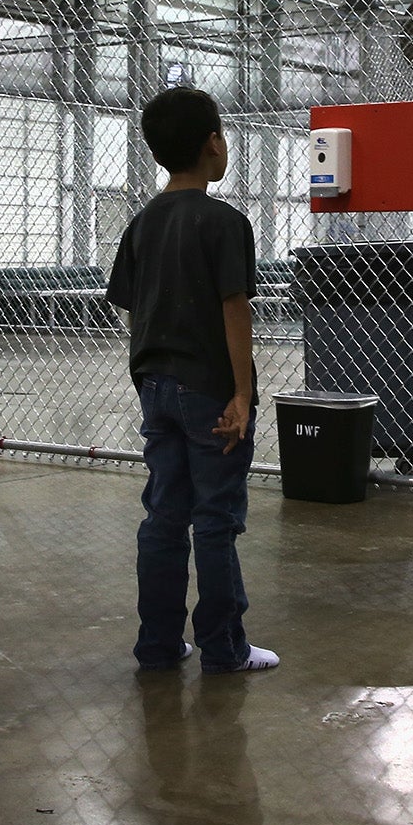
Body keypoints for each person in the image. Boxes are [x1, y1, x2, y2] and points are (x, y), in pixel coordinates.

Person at [105, 87, 278, 675]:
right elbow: (235, 310)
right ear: (213, 144)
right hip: (210, 391)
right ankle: (224, 647)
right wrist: (241, 394)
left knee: (163, 515)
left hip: (156, 385)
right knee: (216, 519)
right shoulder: (224, 222)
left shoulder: (143, 222)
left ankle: (157, 644)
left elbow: (134, 306)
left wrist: (153, 378)